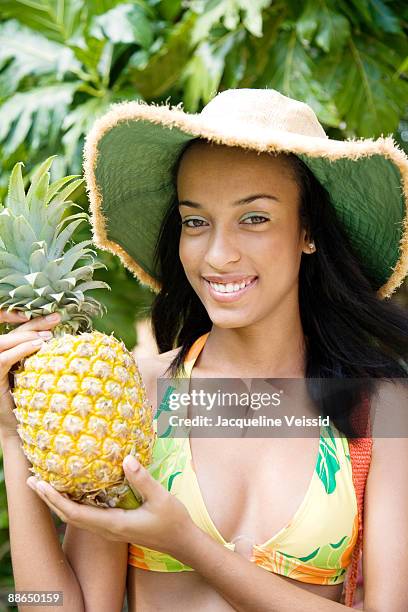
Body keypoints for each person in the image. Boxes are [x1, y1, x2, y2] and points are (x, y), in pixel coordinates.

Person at [1, 88, 407, 612]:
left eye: (254, 218)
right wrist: (13, 439)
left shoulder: (378, 409)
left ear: (308, 230)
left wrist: (187, 544)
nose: (218, 254)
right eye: (196, 221)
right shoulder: (135, 395)